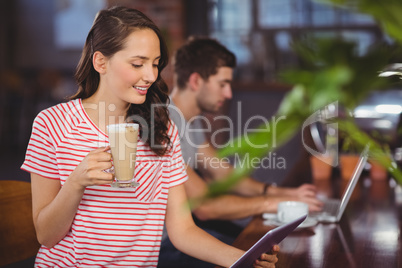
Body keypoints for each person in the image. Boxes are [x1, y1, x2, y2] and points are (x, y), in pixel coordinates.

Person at [21, 6, 279, 268]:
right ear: (100, 62)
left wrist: (244, 259)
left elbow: (182, 231)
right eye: (137, 64)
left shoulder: (161, 127)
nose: (150, 76)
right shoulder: (51, 124)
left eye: (155, 64)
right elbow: (46, 235)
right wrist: (76, 183)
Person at [158, 37, 323, 267]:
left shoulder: (189, 121)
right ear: (196, 81)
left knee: (265, 250)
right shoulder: (164, 122)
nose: (228, 94)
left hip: (184, 236)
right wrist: (272, 203)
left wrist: (280, 193)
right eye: (222, 84)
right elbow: (205, 206)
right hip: (165, 248)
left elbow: (222, 174)